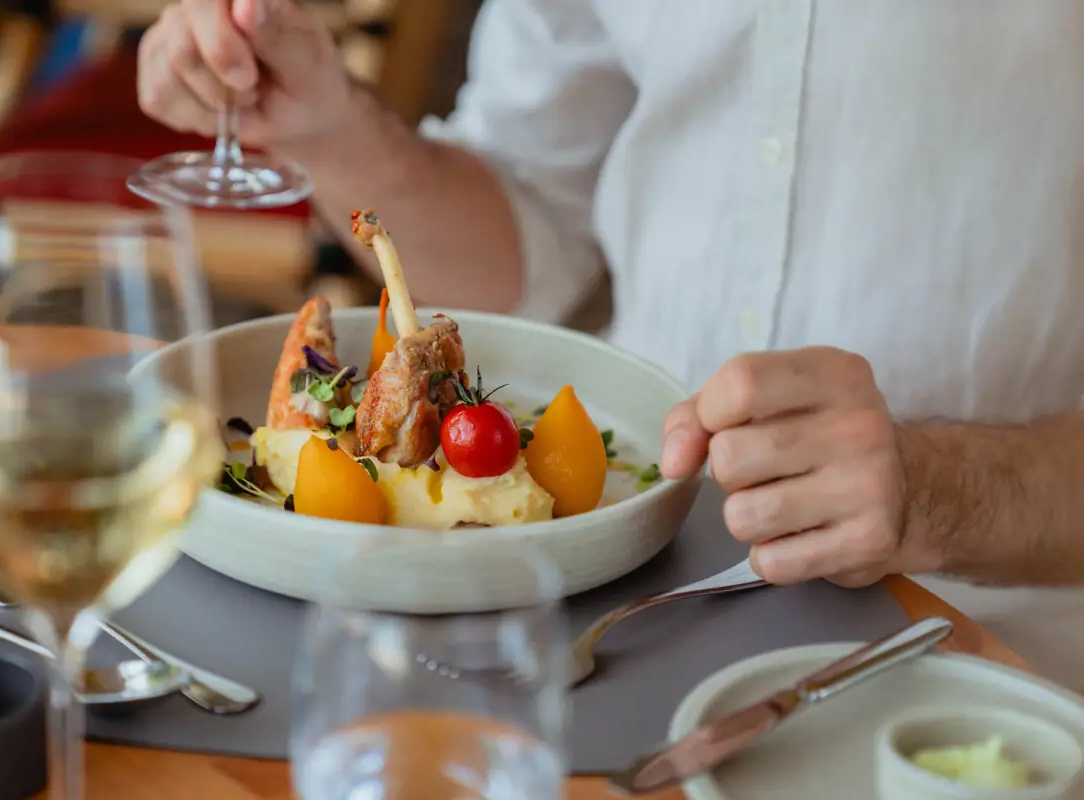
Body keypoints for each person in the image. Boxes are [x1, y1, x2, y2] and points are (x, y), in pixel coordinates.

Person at [138, 0, 1084, 680]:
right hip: (591, 620)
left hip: (970, 653)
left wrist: (945, 490)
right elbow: (524, 247)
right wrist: (328, 125)